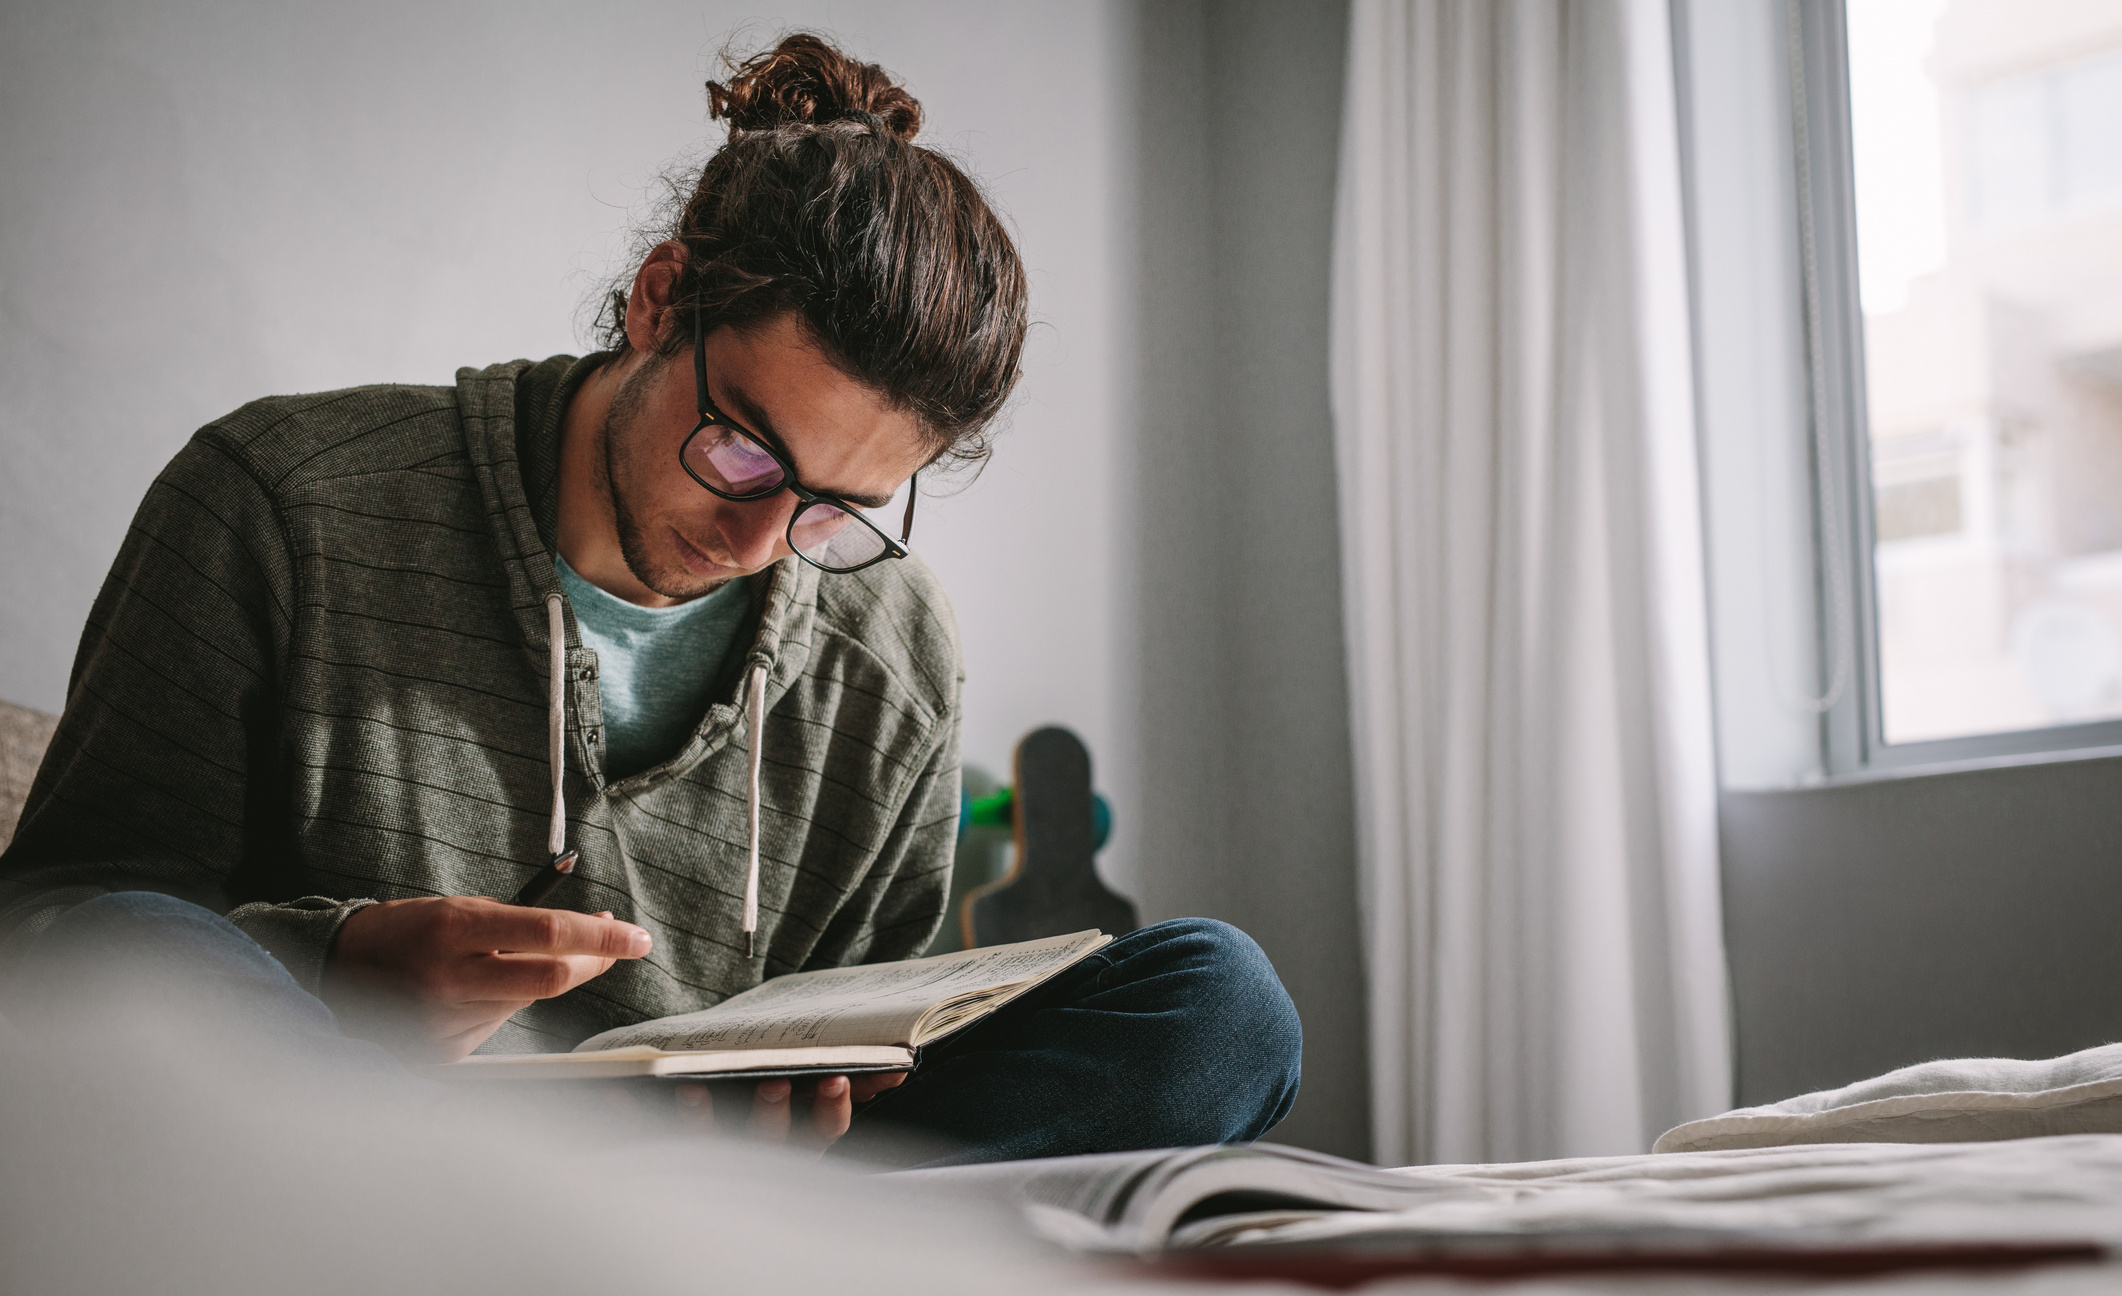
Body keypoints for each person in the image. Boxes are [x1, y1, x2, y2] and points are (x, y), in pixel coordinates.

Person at [0, 34, 1300, 1164]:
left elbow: (871, 1010)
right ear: (659, 298)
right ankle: (435, 1214)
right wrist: (336, 969)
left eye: (833, 510)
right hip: (361, 1122)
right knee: (141, 948)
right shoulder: (283, 498)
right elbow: (65, 918)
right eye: (743, 451)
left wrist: (818, 1084)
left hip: (701, 1170)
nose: (762, 542)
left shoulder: (891, 646)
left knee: (1221, 1005)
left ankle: (670, 1237)